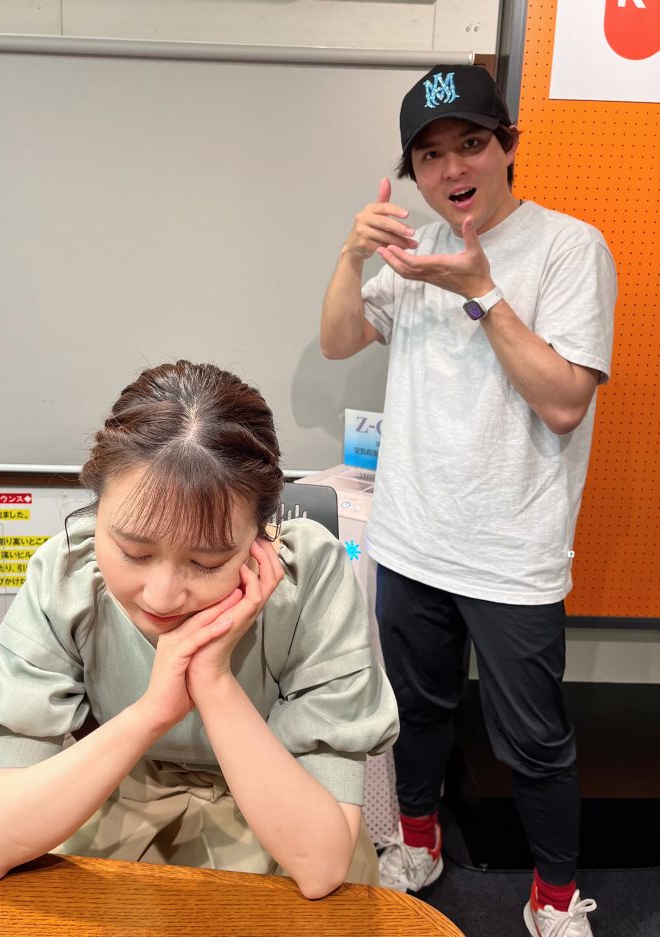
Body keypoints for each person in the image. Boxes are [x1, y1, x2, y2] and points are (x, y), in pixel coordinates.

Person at [320, 65, 615, 936]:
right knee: (416, 713)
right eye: (430, 154)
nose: (453, 167)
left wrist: (481, 291)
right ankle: (416, 842)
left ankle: (552, 897)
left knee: (535, 740)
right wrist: (352, 255)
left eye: (472, 143)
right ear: (413, 171)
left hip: (514, 549)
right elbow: (337, 340)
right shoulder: (411, 251)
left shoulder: (570, 248)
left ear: (508, 146)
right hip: (410, 536)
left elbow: (564, 401)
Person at [0, 360, 398, 899]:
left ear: (264, 534)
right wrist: (152, 712)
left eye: (207, 562)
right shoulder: (66, 576)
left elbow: (321, 865)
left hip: (281, 807)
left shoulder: (311, 580)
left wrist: (213, 682)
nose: (162, 596)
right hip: (109, 793)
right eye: (133, 552)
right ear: (96, 513)